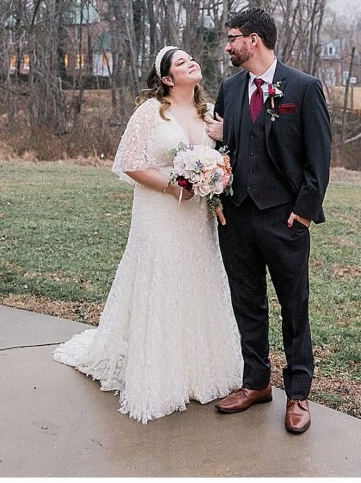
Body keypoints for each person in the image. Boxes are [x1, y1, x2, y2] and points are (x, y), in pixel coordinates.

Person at [54, 48, 242, 423]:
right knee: (161, 283)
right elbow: (131, 164)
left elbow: (220, 159)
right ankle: (159, 374)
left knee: (194, 283)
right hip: (159, 214)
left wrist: (214, 184)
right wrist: (176, 187)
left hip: (195, 220)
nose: (191, 63)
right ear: (168, 79)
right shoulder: (151, 112)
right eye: (180, 62)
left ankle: (193, 370)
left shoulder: (209, 115)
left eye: (191, 58)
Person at [205, 8, 332, 435]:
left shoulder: (303, 88)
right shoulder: (229, 88)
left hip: (285, 219)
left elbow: (319, 158)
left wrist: (304, 211)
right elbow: (224, 152)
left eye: (233, 37)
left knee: (294, 307)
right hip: (237, 217)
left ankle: (298, 394)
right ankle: (256, 383)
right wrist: (218, 197)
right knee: (247, 302)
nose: (228, 45)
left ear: (254, 40)